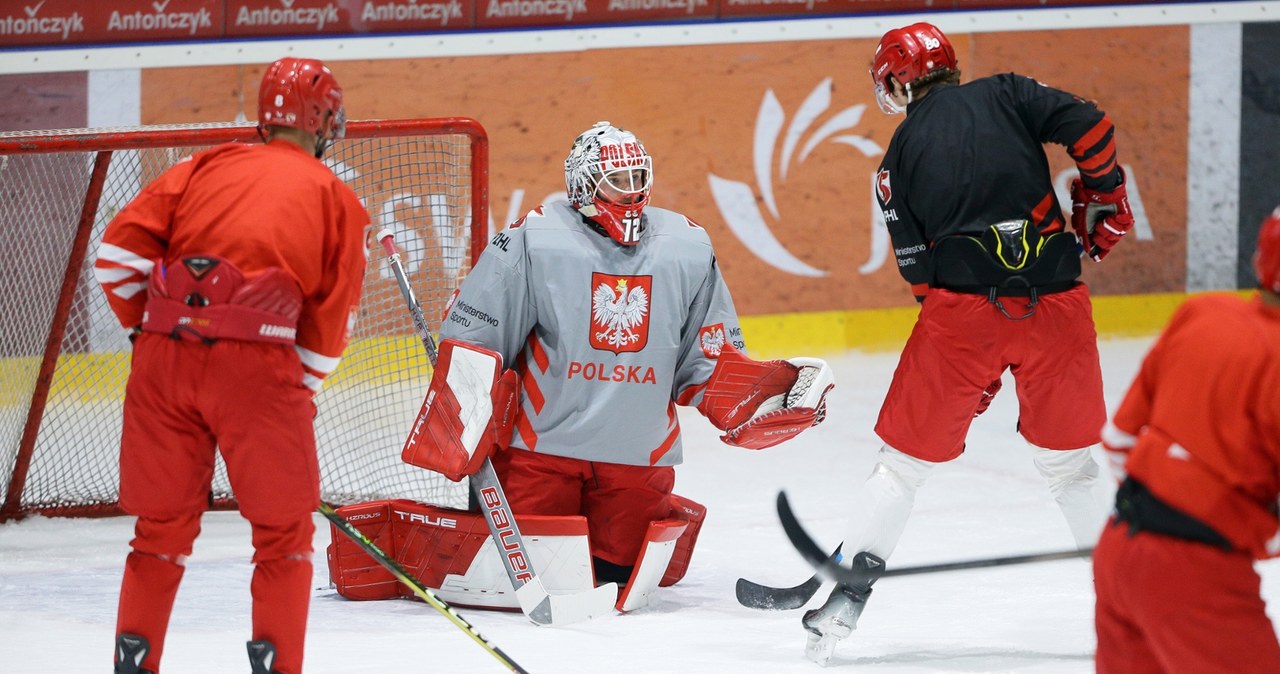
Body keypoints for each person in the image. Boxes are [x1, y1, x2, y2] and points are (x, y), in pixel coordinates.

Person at [799, 22, 1135, 665]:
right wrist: (1104, 192)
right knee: (1072, 468)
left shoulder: (895, 159)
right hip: (1059, 305)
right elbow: (1092, 125)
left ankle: (847, 599)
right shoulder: (1009, 92)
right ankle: (1131, 600)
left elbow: (920, 273)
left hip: (961, 319)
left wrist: (968, 368)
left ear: (899, 78)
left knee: (902, 466)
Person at [405, 121, 834, 607]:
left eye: (637, 178)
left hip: (637, 458)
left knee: (621, 590)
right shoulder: (535, 238)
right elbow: (475, 335)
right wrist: (462, 422)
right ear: (584, 184)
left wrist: (761, 399)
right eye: (617, 180)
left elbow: (707, 359)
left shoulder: (687, 246)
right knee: (529, 584)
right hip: (543, 453)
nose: (630, 193)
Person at [94, 57, 369, 674]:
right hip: (259, 370)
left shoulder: (205, 165)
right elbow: (328, 326)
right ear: (322, 119)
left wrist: (157, 336)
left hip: (164, 363)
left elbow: (115, 256)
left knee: (158, 532)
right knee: (283, 535)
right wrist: (290, 390)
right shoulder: (335, 196)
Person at [1093, 207, 1280, 673]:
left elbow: (1118, 439)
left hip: (1118, 549)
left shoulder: (1203, 311)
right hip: (1198, 578)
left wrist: (1161, 519)